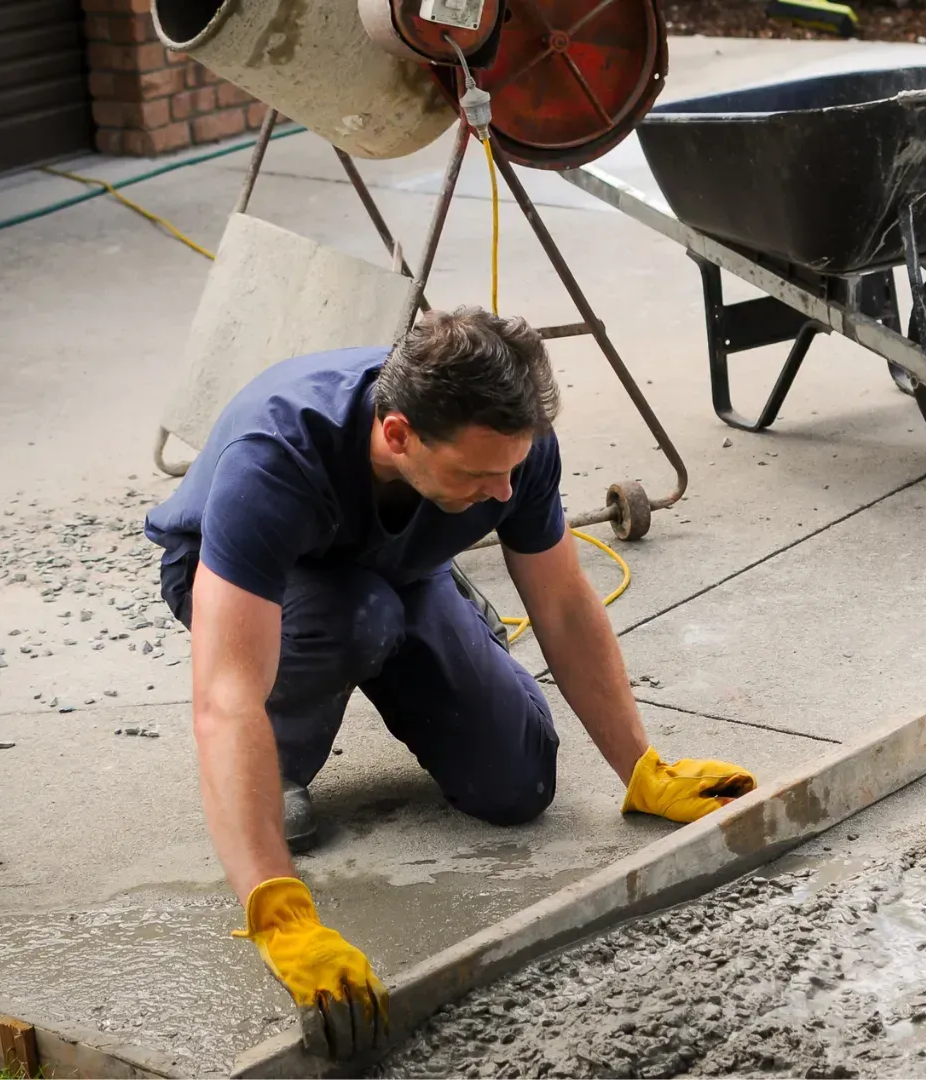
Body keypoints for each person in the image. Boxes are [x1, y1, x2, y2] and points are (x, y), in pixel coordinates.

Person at [144, 308, 757, 1059]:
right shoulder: (275, 461)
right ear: (398, 434)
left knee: (518, 784)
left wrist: (642, 767)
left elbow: (562, 604)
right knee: (357, 617)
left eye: (511, 470)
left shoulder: (509, 452)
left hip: (401, 564)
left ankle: (428, 607)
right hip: (245, 581)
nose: (505, 493)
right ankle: (281, 769)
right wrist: (278, 911)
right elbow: (226, 695)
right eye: (478, 474)